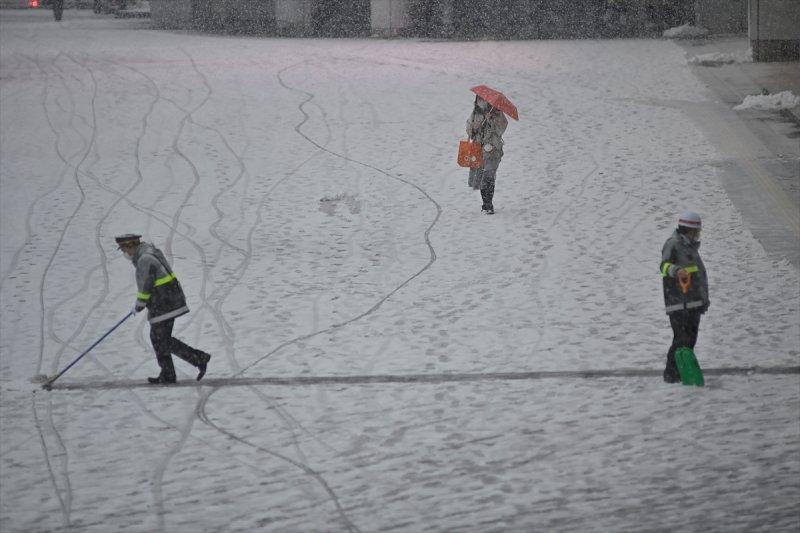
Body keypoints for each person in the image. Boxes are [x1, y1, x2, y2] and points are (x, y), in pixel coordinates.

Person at [116, 234, 211, 384]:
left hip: (164, 303)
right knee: (160, 339)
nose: (124, 253)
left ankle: (196, 360)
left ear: (130, 245)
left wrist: (139, 305)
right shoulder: (148, 253)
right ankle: (172, 372)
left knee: (160, 339)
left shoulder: (144, 259)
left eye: (123, 249)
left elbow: (146, 285)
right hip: (167, 300)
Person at [659, 212, 710, 383]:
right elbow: (663, 265)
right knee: (681, 339)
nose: (698, 234)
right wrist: (676, 270)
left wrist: (703, 300)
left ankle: (683, 371)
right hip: (678, 303)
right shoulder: (673, 244)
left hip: (694, 303)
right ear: (689, 230)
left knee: (690, 339)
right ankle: (671, 374)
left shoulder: (690, 247)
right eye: (697, 231)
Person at [466, 95, 508, 214]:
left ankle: (488, 205)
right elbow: (468, 127)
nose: (481, 101)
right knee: (480, 177)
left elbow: (502, 128)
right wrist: (473, 129)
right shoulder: (475, 113)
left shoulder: (496, 113)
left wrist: (493, 120)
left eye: (483, 99)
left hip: (492, 151)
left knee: (488, 176)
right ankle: (485, 204)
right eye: (479, 99)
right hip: (478, 150)